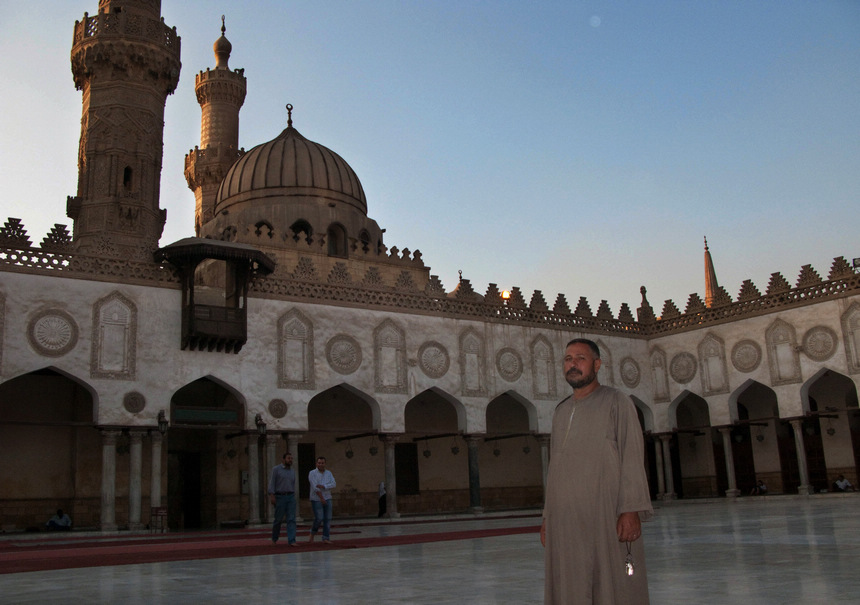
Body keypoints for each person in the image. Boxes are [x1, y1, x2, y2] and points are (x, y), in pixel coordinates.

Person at [541, 338, 653, 604]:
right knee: (570, 582)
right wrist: (547, 516)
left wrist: (630, 508)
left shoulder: (617, 402)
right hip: (566, 521)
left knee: (612, 583)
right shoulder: (561, 410)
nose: (573, 364)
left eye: (580, 358)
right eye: (568, 359)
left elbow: (632, 456)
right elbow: (555, 469)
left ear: (597, 364)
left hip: (606, 513)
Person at [268, 452, 297, 545]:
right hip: (280, 496)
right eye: (288, 458)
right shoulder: (276, 469)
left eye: (291, 458)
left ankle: (292, 540)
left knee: (291, 519)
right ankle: (274, 539)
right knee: (278, 519)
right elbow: (272, 483)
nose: (290, 460)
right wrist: (272, 495)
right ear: (283, 459)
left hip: (291, 496)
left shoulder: (292, 471)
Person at [308, 456, 336, 543]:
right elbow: (315, 487)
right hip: (316, 499)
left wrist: (324, 486)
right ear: (316, 464)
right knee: (319, 518)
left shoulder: (329, 473)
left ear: (325, 463)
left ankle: (326, 537)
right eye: (319, 463)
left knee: (327, 518)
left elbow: (333, 484)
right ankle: (312, 533)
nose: (321, 464)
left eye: (322, 463)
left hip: (328, 497)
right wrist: (321, 498)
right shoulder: (312, 473)